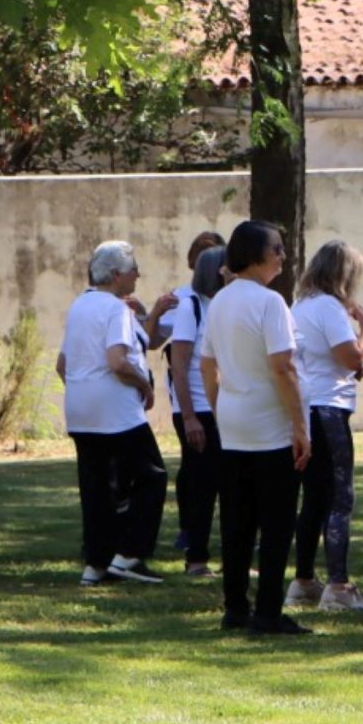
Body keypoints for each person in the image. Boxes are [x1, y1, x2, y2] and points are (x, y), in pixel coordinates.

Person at [199, 221, 314, 636]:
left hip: (234, 420)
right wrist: (300, 426)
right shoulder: (270, 303)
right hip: (269, 424)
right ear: (254, 254)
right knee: (277, 521)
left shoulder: (220, 301)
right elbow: (283, 368)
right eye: (276, 249)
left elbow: (207, 365)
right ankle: (267, 611)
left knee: (237, 519)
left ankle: (235, 607)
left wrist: (220, 407)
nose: (283, 256)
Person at [60, 241, 168, 587]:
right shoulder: (115, 310)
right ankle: (130, 553)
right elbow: (118, 361)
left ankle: (96, 564)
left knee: (97, 489)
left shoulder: (79, 306)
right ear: (118, 274)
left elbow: (62, 364)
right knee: (152, 475)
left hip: (80, 410)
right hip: (116, 411)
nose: (138, 274)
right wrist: (145, 385)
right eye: (134, 268)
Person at [290, 240, 363, 613]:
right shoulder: (329, 307)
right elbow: (351, 357)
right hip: (329, 409)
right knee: (340, 497)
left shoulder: (300, 305)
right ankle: (338, 586)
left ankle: (304, 580)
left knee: (314, 498)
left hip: (306, 408)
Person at [165, 247, 227, 579]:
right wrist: (189, 417)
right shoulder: (191, 307)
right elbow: (179, 365)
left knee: (227, 485)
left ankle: (230, 555)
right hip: (198, 410)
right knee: (203, 486)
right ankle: (196, 558)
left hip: (221, 408)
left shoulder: (223, 306)